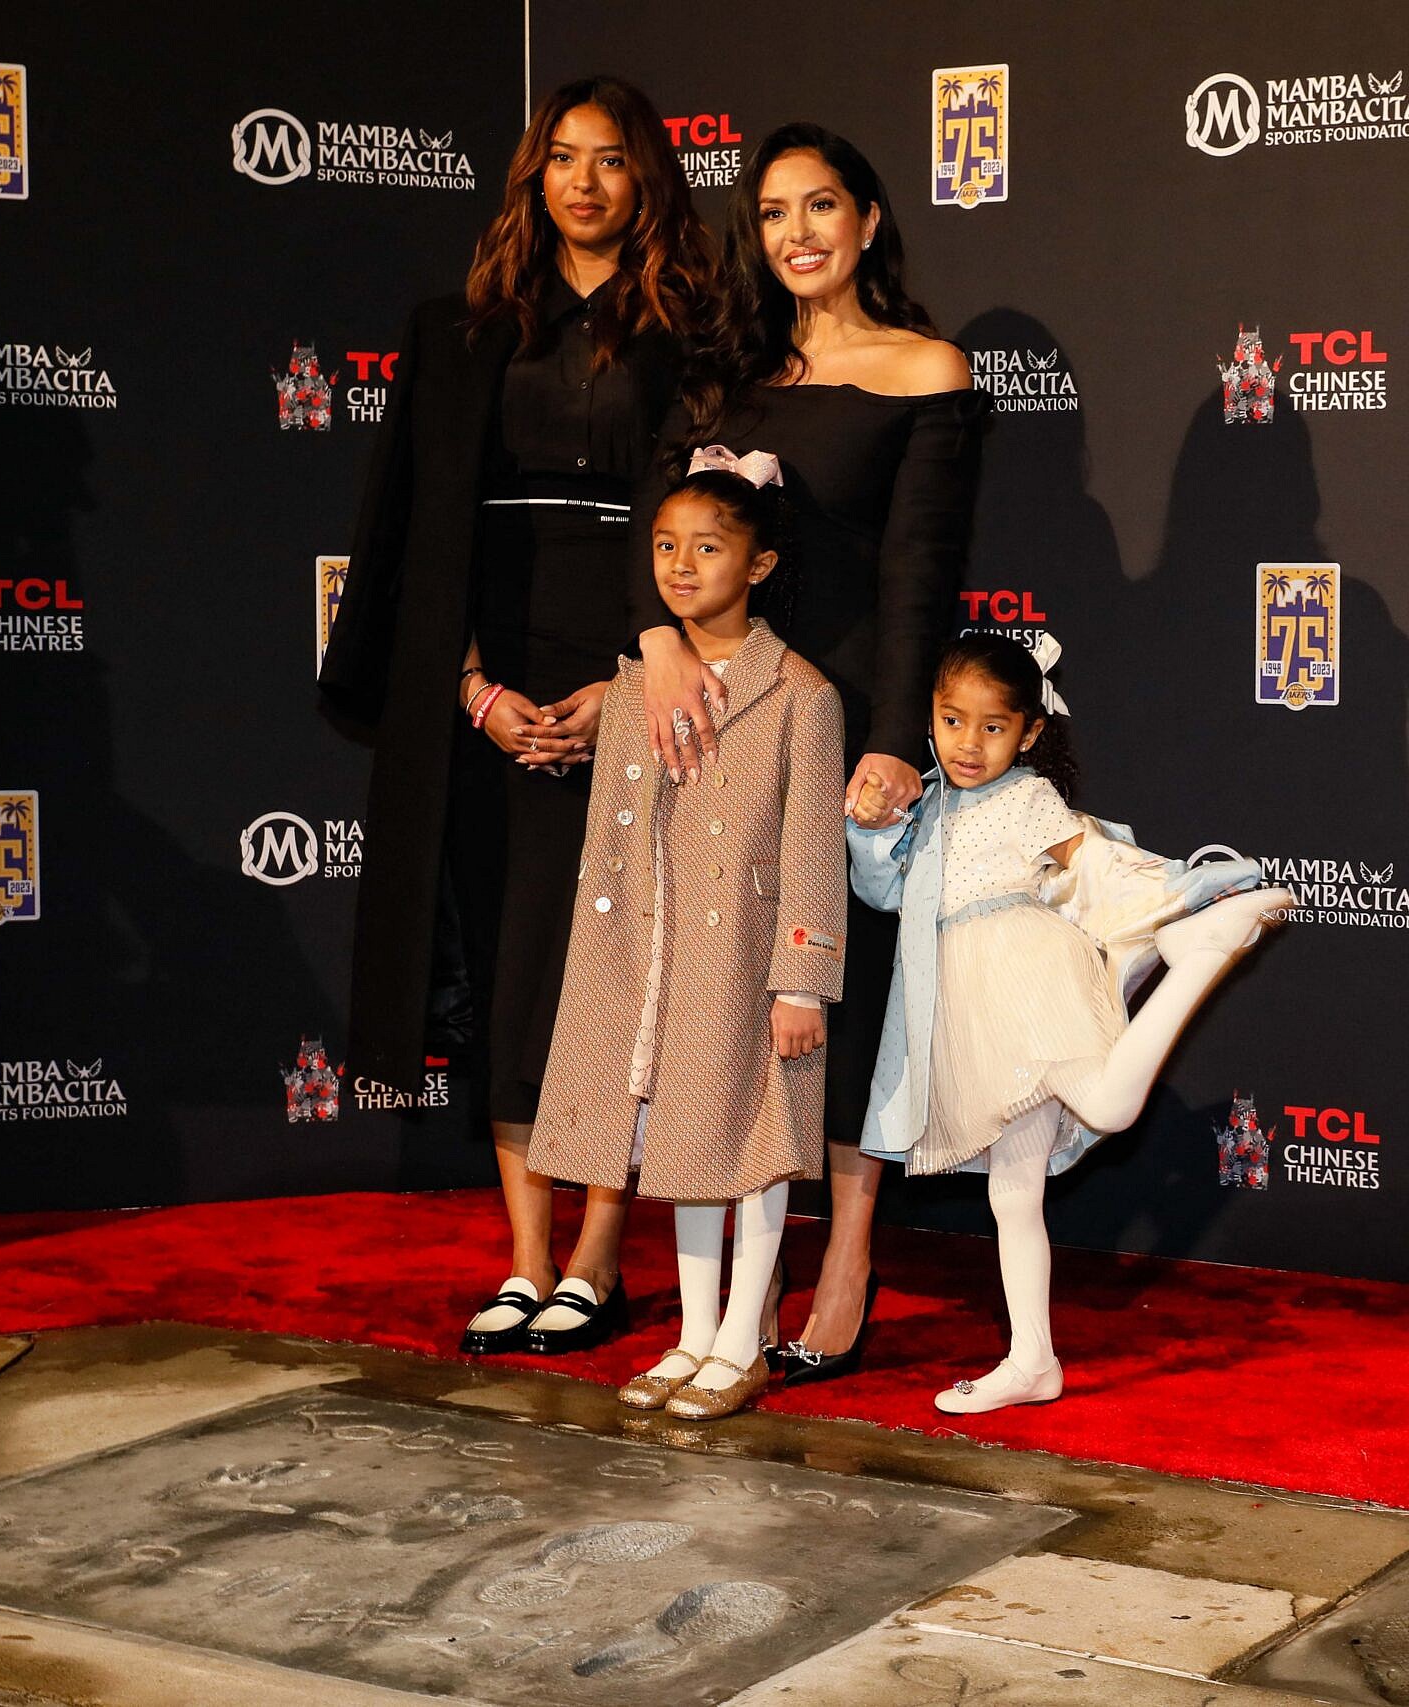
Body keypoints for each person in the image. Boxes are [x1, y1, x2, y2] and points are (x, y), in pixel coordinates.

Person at [317, 77, 715, 1355]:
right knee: (500, 975)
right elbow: (410, 541)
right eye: (562, 158)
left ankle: (599, 1251)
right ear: (531, 177)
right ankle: (526, 1255)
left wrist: (629, 684)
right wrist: (475, 693)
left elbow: (719, 539)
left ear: (646, 181)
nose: (584, 182)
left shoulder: (695, 337)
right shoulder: (458, 330)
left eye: (610, 162)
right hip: (488, 689)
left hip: (631, 678)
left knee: (605, 976)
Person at [632, 123, 982, 1382]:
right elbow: (666, 536)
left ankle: (844, 1255)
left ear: (871, 220)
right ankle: (741, 1263)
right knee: (731, 997)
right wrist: (656, 643)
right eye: (774, 212)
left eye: (822, 205)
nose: (798, 233)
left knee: (846, 997)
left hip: (848, 734)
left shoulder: (925, 369)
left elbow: (919, 577)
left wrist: (897, 744)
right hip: (725, 730)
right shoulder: (722, 375)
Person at [845, 635, 1291, 1414]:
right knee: (1014, 1195)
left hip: (1027, 973)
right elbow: (885, 892)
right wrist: (872, 823)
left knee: (1109, 1105)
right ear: (930, 718)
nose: (970, 743)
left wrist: (1185, 888)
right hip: (965, 1004)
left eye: (992, 726)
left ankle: (1199, 959)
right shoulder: (926, 800)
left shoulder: (1027, 798)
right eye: (953, 720)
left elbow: (1097, 866)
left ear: (1029, 733)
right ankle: (1032, 1359)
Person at [527, 452, 843, 1420]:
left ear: (758, 565)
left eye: (708, 547)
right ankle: (694, 1336)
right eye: (665, 545)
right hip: (651, 959)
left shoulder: (801, 696)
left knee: (754, 1145)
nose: (681, 564)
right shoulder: (632, 685)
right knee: (683, 1147)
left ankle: (743, 1338)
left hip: (746, 960)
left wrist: (802, 978)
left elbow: (812, 849)